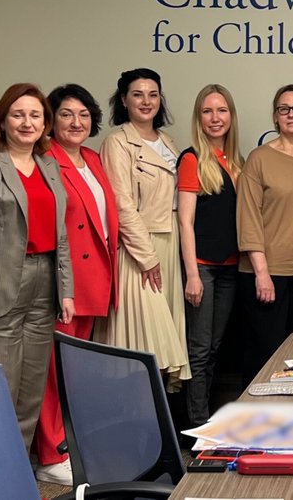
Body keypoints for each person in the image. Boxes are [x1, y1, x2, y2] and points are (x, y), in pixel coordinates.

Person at [0, 83, 74, 447]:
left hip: (43, 285)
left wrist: (66, 290)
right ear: (2, 120)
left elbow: (61, 232)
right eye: (18, 114)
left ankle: (14, 475)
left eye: (35, 115)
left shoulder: (49, 166)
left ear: (45, 123)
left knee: (30, 391)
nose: (27, 122)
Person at [33, 84, 119, 485]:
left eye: (84, 115)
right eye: (66, 114)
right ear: (52, 119)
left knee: (75, 368)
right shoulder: (43, 159)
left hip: (94, 276)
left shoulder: (91, 157)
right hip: (64, 281)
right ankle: (51, 454)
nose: (76, 122)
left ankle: (69, 443)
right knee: (53, 368)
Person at [97, 68, 190, 388]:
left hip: (170, 243)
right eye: (138, 94)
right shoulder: (117, 143)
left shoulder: (167, 141)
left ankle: (158, 428)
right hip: (140, 251)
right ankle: (131, 425)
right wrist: (147, 257)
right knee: (143, 345)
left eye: (153, 94)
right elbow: (121, 205)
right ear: (124, 100)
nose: (146, 101)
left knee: (164, 345)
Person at [236, 84, 293, 381]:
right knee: (265, 355)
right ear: (275, 117)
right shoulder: (259, 158)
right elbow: (248, 218)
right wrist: (262, 273)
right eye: (283, 109)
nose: (291, 114)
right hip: (267, 274)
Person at [177, 84, 245, 429]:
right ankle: (197, 426)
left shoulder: (237, 161)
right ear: (199, 118)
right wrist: (191, 273)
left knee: (216, 348)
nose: (215, 118)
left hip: (231, 268)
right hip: (202, 269)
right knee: (199, 351)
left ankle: (206, 418)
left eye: (221, 111)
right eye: (207, 111)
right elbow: (185, 222)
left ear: (231, 116)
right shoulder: (192, 159)